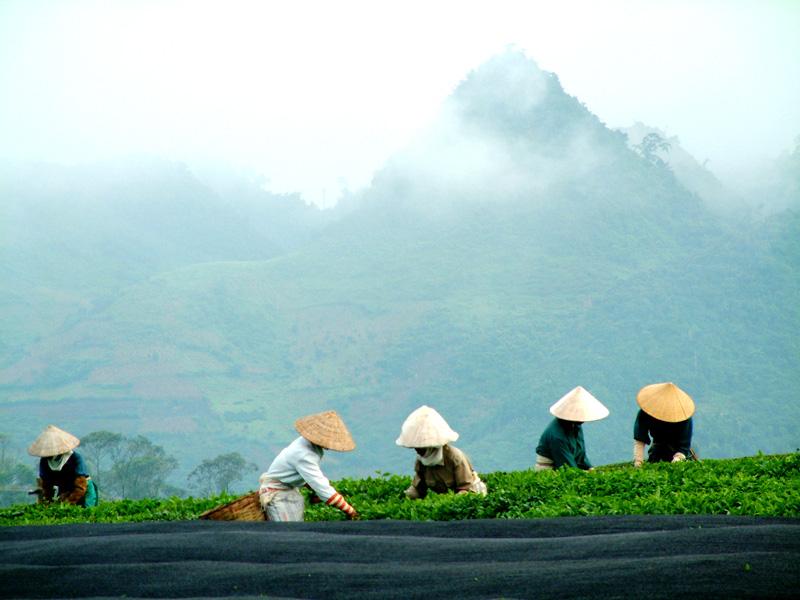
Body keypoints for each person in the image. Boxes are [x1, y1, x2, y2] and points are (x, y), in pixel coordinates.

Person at [258, 410, 358, 521]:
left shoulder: (307, 444)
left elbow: (307, 477)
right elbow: (321, 486)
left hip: (289, 491)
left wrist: (314, 489)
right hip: (277, 494)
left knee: (296, 532)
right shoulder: (303, 454)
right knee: (286, 533)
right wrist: (349, 510)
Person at [396, 405, 487, 499]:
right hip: (447, 497)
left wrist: (449, 503)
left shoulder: (455, 458)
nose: (417, 451)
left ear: (430, 447)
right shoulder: (422, 461)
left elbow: (465, 488)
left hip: (472, 494)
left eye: (421, 448)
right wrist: (405, 497)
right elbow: (418, 488)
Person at [535, 386, 609, 471]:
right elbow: (567, 467)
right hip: (550, 471)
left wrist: (590, 468)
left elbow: (581, 455)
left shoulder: (575, 426)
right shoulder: (557, 436)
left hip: (566, 467)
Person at [28, 425, 98, 507]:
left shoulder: (75, 458)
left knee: (86, 511)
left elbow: (80, 486)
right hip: (64, 491)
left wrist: (68, 503)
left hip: (84, 490)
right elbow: (46, 486)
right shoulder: (44, 461)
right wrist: (47, 502)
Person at [633, 382, 695, 466]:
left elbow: (683, 446)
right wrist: (638, 461)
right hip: (657, 451)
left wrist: (676, 461)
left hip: (678, 453)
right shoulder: (646, 413)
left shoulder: (683, 416)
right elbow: (640, 438)